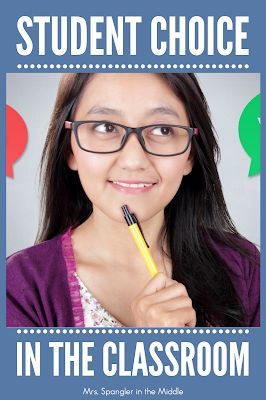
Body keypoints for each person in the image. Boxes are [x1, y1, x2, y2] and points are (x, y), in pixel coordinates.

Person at [6, 73, 260, 327]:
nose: (134, 161)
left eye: (163, 130)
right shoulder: (18, 285)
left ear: (190, 156)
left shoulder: (244, 268)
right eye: (106, 127)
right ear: (70, 149)